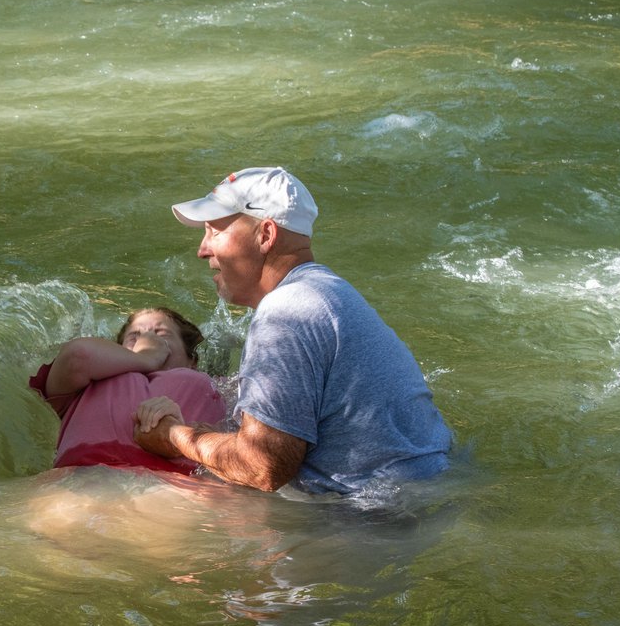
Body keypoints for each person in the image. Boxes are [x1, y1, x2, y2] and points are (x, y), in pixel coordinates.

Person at [134, 166, 451, 495]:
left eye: (215, 231)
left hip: (373, 521)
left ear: (266, 235)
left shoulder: (284, 314)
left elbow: (262, 467)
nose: (202, 250)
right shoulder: (325, 290)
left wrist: (173, 436)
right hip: (421, 495)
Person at [29, 307, 227, 474]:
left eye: (161, 334)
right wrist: (146, 358)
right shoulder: (85, 381)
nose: (148, 338)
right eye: (134, 335)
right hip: (84, 476)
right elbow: (77, 356)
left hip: (180, 487)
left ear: (192, 359)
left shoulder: (218, 385)